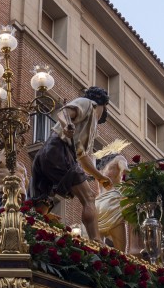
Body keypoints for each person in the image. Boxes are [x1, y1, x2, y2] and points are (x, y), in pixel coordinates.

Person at [30, 86, 112, 239]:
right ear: (103, 105)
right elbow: (63, 112)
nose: (102, 116)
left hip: (45, 155)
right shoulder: (88, 103)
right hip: (59, 151)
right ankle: (96, 242)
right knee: (89, 197)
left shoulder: (87, 127)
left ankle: (34, 236)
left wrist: (100, 177)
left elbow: (83, 158)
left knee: (42, 203)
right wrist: (67, 124)